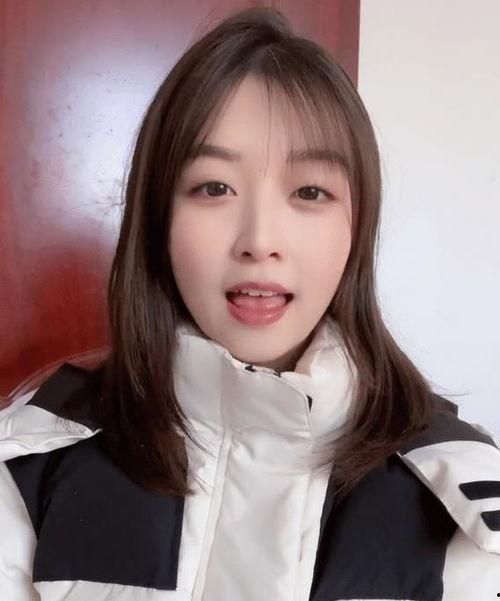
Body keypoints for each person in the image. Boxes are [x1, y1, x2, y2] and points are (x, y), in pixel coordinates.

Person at [1, 6, 499, 601]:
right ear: (158, 217)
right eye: (214, 188)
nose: (260, 241)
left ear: (357, 225)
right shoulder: (30, 462)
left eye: (309, 191)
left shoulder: (456, 494)